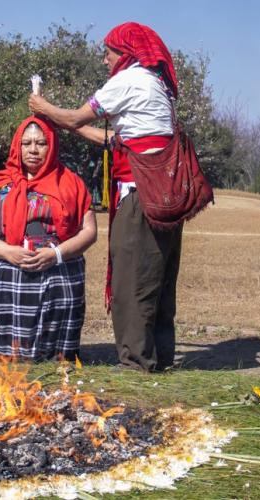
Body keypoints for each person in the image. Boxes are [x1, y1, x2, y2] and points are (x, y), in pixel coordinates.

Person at [29, 22, 182, 372]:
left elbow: (75, 115)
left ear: (125, 53)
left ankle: (136, 361)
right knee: (158, 275)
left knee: (133, 276)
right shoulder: (155, 84)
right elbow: (115, 141)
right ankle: (159, 356)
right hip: (165, 191)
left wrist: (44, 106)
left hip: (140, 195)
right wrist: (59, 120)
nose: (104, 59)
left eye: (108, 51)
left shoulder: (128, 80)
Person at [0, 116, 97, 362]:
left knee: (55, 357)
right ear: (18, 146)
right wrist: (7, 251)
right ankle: (8, 361)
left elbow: (89, 231)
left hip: (58, 272)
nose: (34, 150)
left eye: (41, 143)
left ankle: (56, 363)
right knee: (9, 359)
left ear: (52, 146)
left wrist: (56, 254)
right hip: (6, 272)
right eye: (27, 143)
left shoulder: (71, 183)